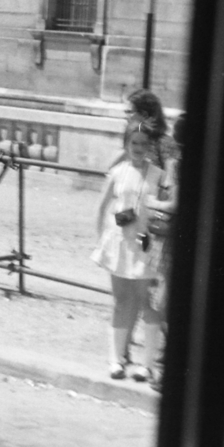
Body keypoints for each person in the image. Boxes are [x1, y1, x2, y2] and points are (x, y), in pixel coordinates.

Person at [91, 102, 167, 381]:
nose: (138, 147)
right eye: (133, 142)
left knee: (148, 303)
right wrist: (101, 240)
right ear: (126, 144)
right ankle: (116, 359)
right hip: (120, 243)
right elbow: (101, 208)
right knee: (122, 302)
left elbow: (165, 209)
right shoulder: (117, 172)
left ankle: (147, 365)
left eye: (143, 143)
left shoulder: (159, 175)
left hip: (146, 246)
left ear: (149, 146)